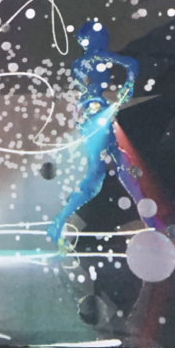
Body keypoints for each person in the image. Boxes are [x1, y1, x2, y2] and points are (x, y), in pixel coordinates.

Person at [47, 21, 143, 246]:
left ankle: (59, 222)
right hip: (94, 113)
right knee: (103, 172)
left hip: (88, 114)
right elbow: (132, 63)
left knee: (107, 169)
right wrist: (128, 85)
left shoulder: (78, 64)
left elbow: (86, 89)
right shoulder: (96, 57)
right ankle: (59, 222)